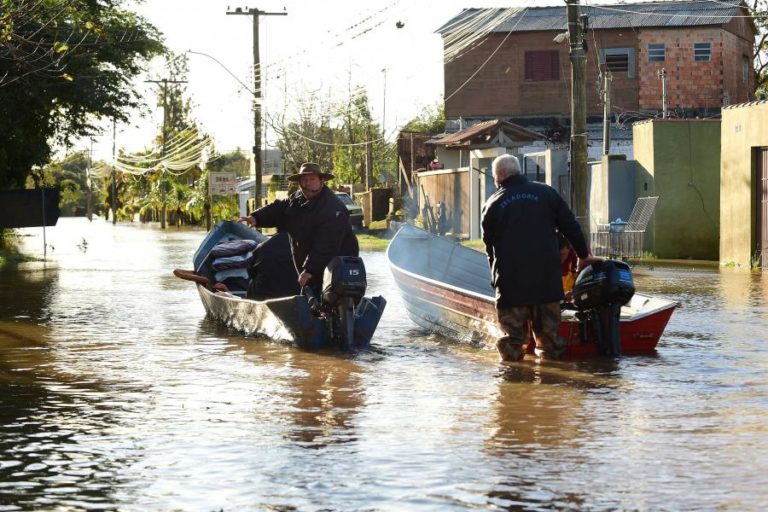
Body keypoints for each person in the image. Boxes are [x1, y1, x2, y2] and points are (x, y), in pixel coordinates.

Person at [481, 154, 600, 361]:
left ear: (499, 175)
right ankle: (551, 382)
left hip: (511, 286)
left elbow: (489, 248)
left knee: (513, 343)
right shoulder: (547, 193)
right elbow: (571, 227)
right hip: (547, 284)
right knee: (550, 344)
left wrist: (496, 281)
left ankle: (512, 387)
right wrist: (583, 255)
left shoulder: (493, 204)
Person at [238, 162, 359, 297]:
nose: (307, 183)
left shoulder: (332, 208)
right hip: (310, 264)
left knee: (325, 296)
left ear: (321, 181)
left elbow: (326, 245)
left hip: (335, 265)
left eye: (312, 179)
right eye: (304, 180)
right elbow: (279, 209)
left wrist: (309, 270)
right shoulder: (297, 199)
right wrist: (256, 218)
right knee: (310, 296)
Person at [558, 233, 578, 301]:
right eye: (559, 254)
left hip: (569, 294)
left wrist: (573, 292)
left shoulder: (573, 256)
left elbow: (575, 274)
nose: (561, 258)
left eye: (563, 254)